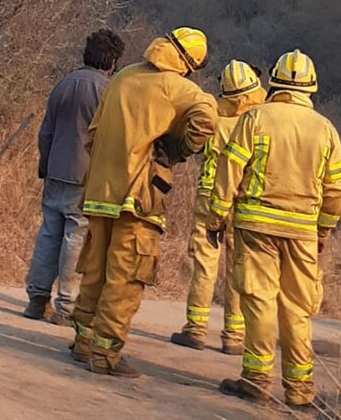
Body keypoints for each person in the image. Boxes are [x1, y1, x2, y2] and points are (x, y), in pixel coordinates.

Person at [70, 27, 219, 377]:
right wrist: (177, 148)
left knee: (95, 272)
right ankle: (105, 355)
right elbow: (207, 117)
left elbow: (93, 133)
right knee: (125, 278)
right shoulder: (179, 87)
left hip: (100, 193)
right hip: (136, 198)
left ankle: (83, 343)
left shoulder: (123, 76)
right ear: (188, 64)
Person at [207, 49, 341, 412]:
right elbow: (336, 191)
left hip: (256, 227)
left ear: (274, 83)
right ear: (311, 86)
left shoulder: (255, 118)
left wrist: (216, 216)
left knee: (259, 300)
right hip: (303, 233)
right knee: (297, 308)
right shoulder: (326, 130)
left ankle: (256, 380)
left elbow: (229, 169)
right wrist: (323, 231)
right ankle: (300, 390)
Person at [23, 28, 125, 325]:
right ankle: (66, 306)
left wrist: (46, 164)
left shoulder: (63, 84)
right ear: (113, 62)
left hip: (55, 170)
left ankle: (37, 299)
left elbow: (45, 132)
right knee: (75, 238)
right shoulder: (108, 91)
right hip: (85, 176)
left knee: (48, 234)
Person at [170, 60, 266, 352]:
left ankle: (196, 329)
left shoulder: (214, 118)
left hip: (209, 196)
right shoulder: (258, 122)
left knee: (204, 263)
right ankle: (234, 337)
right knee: (239, 266)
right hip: (243, 200)